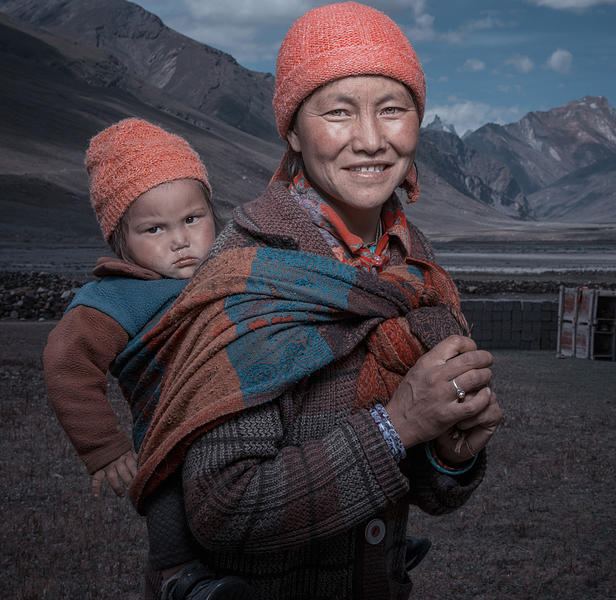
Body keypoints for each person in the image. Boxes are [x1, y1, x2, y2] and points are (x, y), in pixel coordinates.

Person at [123, 3, 503, 598]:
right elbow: (224, 510)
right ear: (294, 131)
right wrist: (398, 425)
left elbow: (422, 493)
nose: (372, 140)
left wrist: (449, 456)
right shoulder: (252, 270)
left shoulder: (413, 264)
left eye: (392, 109)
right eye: (339, 112)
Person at [42, 118, 250, 599]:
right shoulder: (117, 297)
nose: (179, 240)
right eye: (155, 228)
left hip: (240, 413)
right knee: (168, 492)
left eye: (192, 220)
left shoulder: (229, 271)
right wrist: (104, 447)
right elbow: (66, 362)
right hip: (169, 431)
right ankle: (179, 581)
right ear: (121, 241)